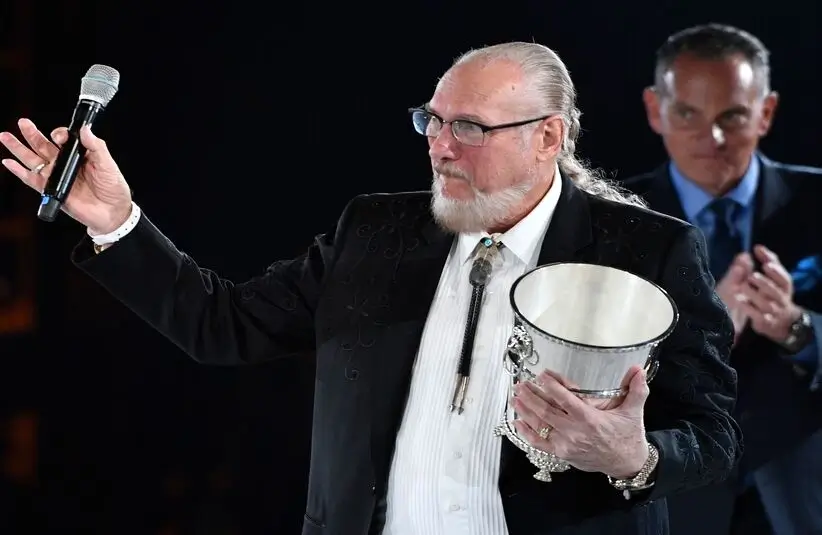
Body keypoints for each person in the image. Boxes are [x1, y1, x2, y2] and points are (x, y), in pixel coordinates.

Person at [1, 42, 741, 535]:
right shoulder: (374, 232)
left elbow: (713, 436)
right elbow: (220, 323)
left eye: (472, 128)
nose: (441, 146)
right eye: (433, 120)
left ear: (549, 137)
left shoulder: (648, 251)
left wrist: (633, 457)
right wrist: (116, 221)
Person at [621, 24, 822, 535]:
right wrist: (703, 333)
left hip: (803, 499)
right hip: (674, 504)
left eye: (732, 116)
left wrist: (799, 330)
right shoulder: (614, 220)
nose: (712, 139)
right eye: (688, 113)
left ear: (766, 113)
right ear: (654, 110)